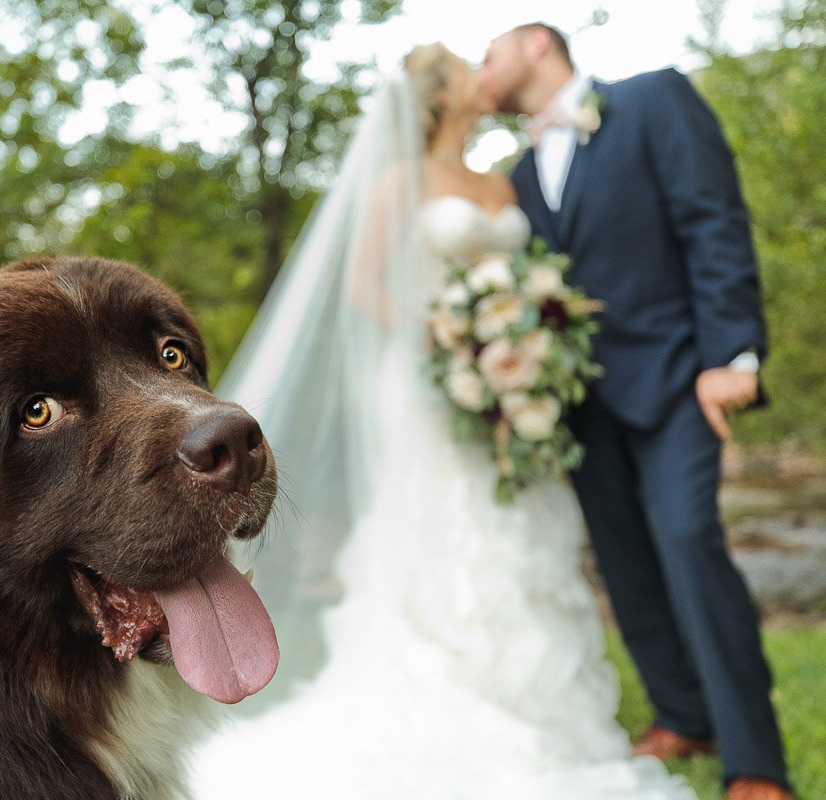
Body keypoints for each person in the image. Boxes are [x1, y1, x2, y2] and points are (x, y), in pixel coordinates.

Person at [185, 43, 695, 799]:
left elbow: (530, 281)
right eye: (467, 70)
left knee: (526, 534)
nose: (480, 79)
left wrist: (524, 343)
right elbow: (365, 291)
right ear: (439, 94)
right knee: (442, 533)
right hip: (428, 382)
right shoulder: (400, 180)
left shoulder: (499, 180)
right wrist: (454, 339)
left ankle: (547, 718)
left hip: (515, 391)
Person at [480, 23, 790, 800]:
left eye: (490, 55)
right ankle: (683, 715)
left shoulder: (653, 99)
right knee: (622, 563)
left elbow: (713, 222)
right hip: (578, 406)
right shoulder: (515, 176)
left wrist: (733, 357)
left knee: (689, 541)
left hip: (681, 377)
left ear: (537, 44)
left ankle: (755, 762)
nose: (483, 75)